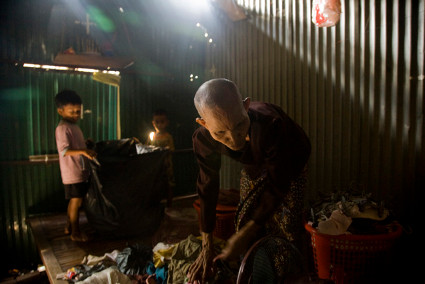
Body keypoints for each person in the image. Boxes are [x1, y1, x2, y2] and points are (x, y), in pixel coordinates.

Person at [187, 78, 311, 283]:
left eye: (239, 125)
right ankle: (255, 272)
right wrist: (206, 245)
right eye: (221, 133)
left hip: (291, 159)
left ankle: (290, 275)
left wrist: (247, 232)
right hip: (254, 162)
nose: (234, 139)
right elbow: (207, 187)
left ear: (246, 106)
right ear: (203, 123)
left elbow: (278, 183)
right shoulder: (203, 139)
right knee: (245, 218)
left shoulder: (270, 124)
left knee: (286, 225)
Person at [55, 90, 97, 242]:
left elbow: (75, 145)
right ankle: (76, 232)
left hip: (79, 170)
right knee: (76, 201)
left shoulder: (74, 126)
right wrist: (83, 150)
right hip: (72, 172)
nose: (76, 115)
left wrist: (84, 144)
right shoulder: (62, 128)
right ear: (60, 111)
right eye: (72, 112)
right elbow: (64, 151)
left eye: (78, 111)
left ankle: (68, 226)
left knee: (75, 200)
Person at [147, 109, 175, 207]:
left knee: (168, 184)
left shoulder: (168, 137)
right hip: (155, 166)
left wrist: (166, 150)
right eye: (157, 122)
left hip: (166, 165)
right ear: (153, 123)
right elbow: (147, 148)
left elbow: (171, 149)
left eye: (162, 122)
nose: (159, 125)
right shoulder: (152, 136)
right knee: (156, 184)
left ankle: (169, 205)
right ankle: (156, 205)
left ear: (166, 122)